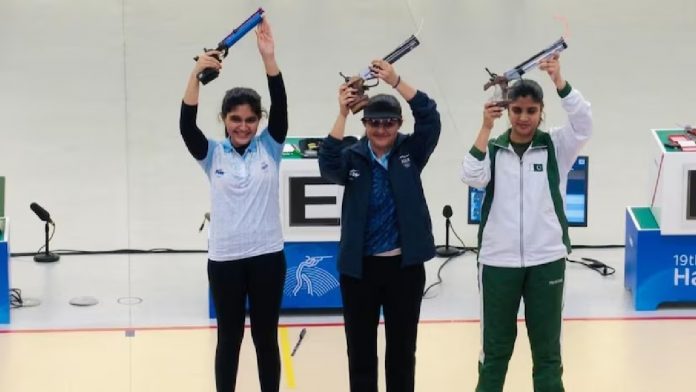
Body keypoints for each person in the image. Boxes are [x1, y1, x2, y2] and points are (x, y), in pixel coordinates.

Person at [461, 53, 592, 392]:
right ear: (507, 111)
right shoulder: (493, 149)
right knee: (494, 352)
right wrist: (485, 127)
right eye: (516, 110)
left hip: (547, 260)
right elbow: (471, 175)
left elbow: (584, 123)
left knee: (548, 353)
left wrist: (560, 81)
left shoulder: (556, 146)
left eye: (531, 111)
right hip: (497, 262)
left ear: (541, 112)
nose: (523, 118)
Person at [318, 60, 441, 392]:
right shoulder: (352, 156)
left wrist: (397, 81)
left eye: (388, 123)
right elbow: (327, 166)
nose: (382, 130)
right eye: (374, 123)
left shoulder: (411, 152)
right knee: (360, 353)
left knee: (402, 352)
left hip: (404, 270)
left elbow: (430, 117)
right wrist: (342, 114)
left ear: (399, 124)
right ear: (365, 124)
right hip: (360, 272)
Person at [179, 18, 287, 392]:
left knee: (265, 339)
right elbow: (186, 126)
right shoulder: (212, 154)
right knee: (229, 340)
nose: (243, 126)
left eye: (250, 120)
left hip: (267, 258)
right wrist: (196, 73)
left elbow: (282, 104)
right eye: (235, 119)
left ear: (260, 121)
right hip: (224, 260)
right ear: (224, 120)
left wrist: (268, 58)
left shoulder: (270, 149)